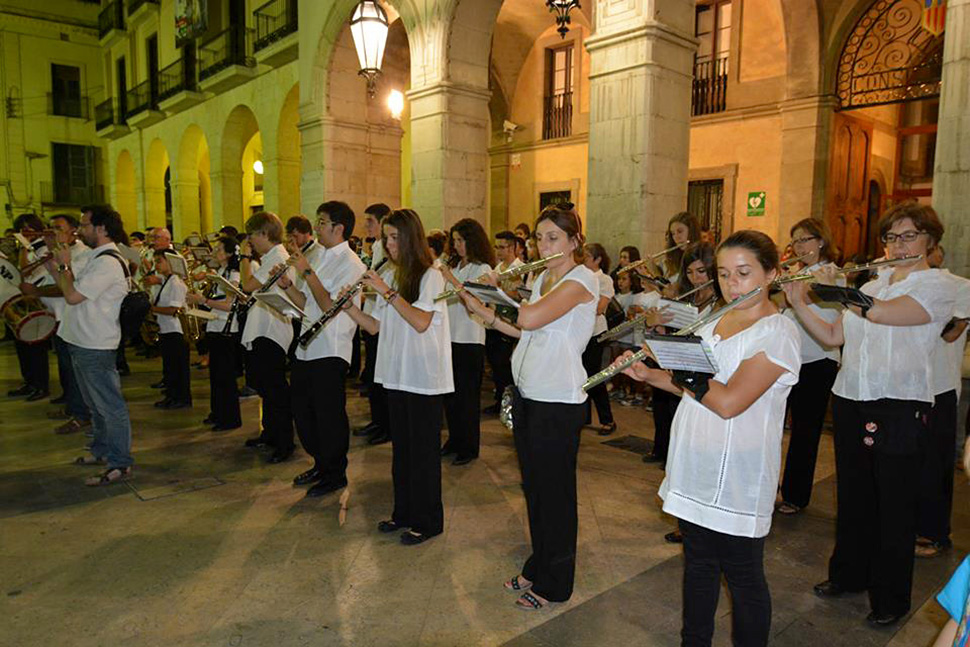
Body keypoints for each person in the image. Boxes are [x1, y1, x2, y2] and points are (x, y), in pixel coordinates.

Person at [620, 230, 801, 646]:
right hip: (695, 460)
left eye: (743, 273)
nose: (731, 284)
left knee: (743, 577)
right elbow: (693, 385)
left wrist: (682, 370)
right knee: (698, 565)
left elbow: (729, 401)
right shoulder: (717, 320)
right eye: (723, 274)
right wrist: (649, 374)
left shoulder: (778, 333)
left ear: (771, 273)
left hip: (737, 471)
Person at [784, 203, 955, 626]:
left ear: (930, 241)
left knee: (894, 505)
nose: (898, 245)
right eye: (891, 238)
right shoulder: (873, 282)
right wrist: (798, 299)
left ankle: (890, 597)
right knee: (855, 496)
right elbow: (830, 336)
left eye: (909, 236)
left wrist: (836, 288)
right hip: (850, 396)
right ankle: (848, 574)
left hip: (898, 403)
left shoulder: (937, 285)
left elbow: (886, 315)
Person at [460, 205, 597, 610]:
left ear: (574, 241)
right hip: (530, 393)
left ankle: (557, 584)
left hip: (558, 399)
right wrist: (484, 314)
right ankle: (539, 565)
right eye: (539, 238)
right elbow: (523, 330)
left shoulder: (581, 280)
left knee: (555, 496)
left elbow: (532, 317)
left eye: (553, 237)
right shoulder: (542, 280)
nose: (545, 245)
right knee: (534, 490)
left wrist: (495, 293)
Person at [342, 208, 453, 546]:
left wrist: (386, 293)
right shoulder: (391, 275)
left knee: (423, 454)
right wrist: (350, 309)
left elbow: (420, 321)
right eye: (385, 237)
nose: (387, 244)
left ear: (409, 238)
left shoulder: (430, 274)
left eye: (393, 237)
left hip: (422, 376)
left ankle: (428, 521)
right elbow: (376, 327)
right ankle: (403, 512)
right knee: (402, 452)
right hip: (396, 374)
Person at [279, 201, 366, 497]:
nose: (316, 227)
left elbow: (330, 307)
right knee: (302, 411)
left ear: (338, 228)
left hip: (331, 347)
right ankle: (319, 462)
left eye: (321, 221)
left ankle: (335, 472)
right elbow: (307, 304)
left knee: (329, 414)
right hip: (306, 345)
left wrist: (306, 272)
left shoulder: (352, 264)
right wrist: (286, 286)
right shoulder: (318, 255)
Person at [47, 205, 135, 486]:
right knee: (94, 406)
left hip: (95, 345)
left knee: (110, 407)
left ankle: (120, 462)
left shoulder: (109, 262)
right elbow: (63, 284)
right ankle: (100, 451)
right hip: (79, 339)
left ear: (101, 229)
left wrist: (63, 264)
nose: (79, 230)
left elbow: (71, 297)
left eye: (84, 225)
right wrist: (57, 259)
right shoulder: (96, 257)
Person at [777, 218, 842, 515]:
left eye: (804, 240)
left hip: (818, 359)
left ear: (821, 241)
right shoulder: (797, 273)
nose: (799, 246)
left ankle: (795, 494)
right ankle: (774, 485)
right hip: (789, 358)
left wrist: (786, 283)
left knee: (805, 431)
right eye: (795, 241)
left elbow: (805, 299)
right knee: (775, 425)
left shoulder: (833, 274)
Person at [646, 242, 718, 476]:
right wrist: (656, 323)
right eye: (690, 272)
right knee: (674, 420)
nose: (696, 279)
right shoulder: (686, 298)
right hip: (677, 370)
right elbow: (668, 337)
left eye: (701, 271)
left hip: (704, 374)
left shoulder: (721, 302)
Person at [917, 245, 970, 557]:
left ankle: (933, 531)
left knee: (936, 463)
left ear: (937, 250)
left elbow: (950, 334)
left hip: (939, 386)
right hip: (905, 386)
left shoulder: (960, 287)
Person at [17, 215, 92, 434]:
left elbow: (68, 286)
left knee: (75, 370)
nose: (52, 232)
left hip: (71, 318)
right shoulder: (57, 251)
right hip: (58, 318)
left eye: (58, 228)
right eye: (50, 228)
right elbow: (33, 274)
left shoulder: (81, 254)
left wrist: (38, 291)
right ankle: (72, 407)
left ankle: (81, 414)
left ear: (73, 231)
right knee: (66, 369)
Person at [239, 211, 297, 464]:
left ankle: (285, 442)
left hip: (273, 331)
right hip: (263, 328)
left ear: (264, 233)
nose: (250, 240)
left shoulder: (278, 257)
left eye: (252, 235)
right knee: (265, 386)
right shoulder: (271, 257)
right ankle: (270, 433)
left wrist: (244, 257)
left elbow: (247, 285)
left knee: (275, 389)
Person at [440, 218, 495, 465]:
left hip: (470, 339)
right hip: (449, 337)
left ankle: (469, 446)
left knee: (467, 397)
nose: (457, 246)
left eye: (461, 241)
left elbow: (473, 302)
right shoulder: (457, 265)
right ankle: (454, 438)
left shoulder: (482, 268)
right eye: (454, 241)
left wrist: (450, 278)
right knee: (450, 396)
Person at [186, 236, 242, 431]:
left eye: (219, 250)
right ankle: (217, 412)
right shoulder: (221, 271)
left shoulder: (234, 274)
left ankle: (229, 418)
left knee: (225, 378)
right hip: (215, 327)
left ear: (228, 254)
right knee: (216, 376)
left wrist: (203, 301)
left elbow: (228, 305)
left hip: (226, 329)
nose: (215, 253)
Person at [357, 203, 393, 445]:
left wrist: (369, 286)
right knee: (372, 374)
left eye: (370, 221)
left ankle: (386, 424)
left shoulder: (387, 247)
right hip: (371, 315)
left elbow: (385, 282)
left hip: (381, 318)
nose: (366, 225)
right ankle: (377, 420)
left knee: (380, 376)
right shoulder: (377, 247)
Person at [8, 213, 51, 400]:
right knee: (23, 345)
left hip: (41, 301)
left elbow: (25, 269)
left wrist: (24, 249)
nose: (26, 231)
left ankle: (41, 386)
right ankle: (29, 382)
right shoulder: (30, 247)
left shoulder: (43, 248)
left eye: (29, 227)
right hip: (27, 299)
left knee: (36, 347)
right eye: (22, 228)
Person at [483, 230, 524, 415]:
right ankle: (499, 399)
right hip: (493, 321)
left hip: (510, 323)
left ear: (514, 247)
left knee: (505, 365)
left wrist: (497, 290)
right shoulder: (496, 269)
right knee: (496, 365)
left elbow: (519, 296)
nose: (498, 251)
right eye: (496, 247)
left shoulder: (521, 269)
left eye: (502, 247)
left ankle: (510, 402)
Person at [581, 242, 616, 435]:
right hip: (582, 332)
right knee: (581, 374)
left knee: (594, 376)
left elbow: (601, 307)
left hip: (596, 332)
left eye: (586, 257)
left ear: (597, 259)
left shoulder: (604, 279)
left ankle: (607, 419)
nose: (583, 260)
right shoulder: (581, 277)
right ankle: (584, 415)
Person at [150, 249, 191, 409]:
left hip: (176, 330)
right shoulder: (167, 281)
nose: (156, 265)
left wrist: (151, 309)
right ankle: (172, 396)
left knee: (178, 369)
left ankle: (180, 398)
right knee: (170, 367)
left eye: (159, 261)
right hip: (166, 329)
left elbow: (175, 309)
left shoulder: (175, 282)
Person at [659, 212, 701, 281]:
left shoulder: (701, 257)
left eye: (680, 231)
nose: (676, 237)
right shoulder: (673, 259)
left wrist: (655, 273)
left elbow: (674, 291)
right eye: (673, 234)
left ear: (691, 231)